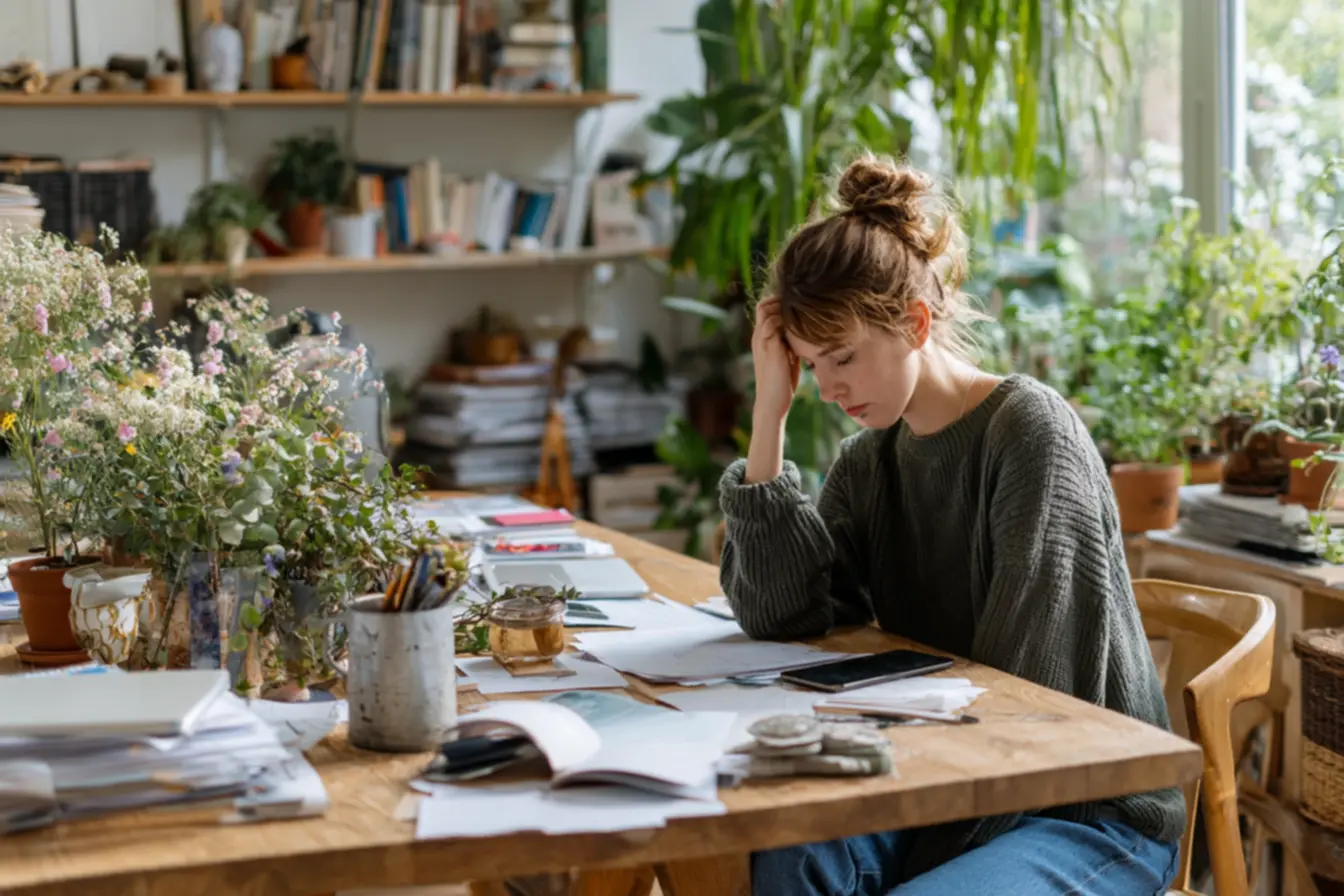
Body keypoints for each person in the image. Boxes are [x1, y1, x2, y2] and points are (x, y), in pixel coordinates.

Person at [717, 153, 1185, 896]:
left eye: (843, 357)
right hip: (939, 775)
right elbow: (784, 615)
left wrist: (912, 849)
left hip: (1081, 804)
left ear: (915, 322)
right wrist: (767, 415)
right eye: (809, 365)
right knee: (786, 856)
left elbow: (1027, 704)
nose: (829, 388)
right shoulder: (870, 462)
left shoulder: (1031, 436)